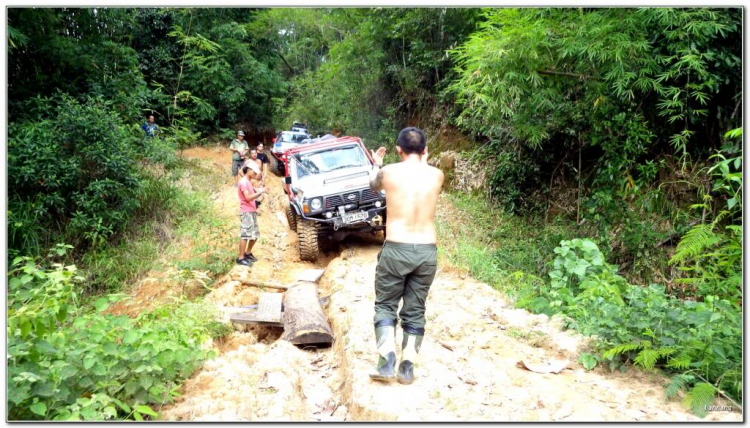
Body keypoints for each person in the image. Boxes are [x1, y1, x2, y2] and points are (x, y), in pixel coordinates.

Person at [367, 127, 444, 385]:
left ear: (398, 149)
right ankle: (407, 368)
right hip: (426, 251)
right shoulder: (437, 175)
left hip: (396, 248)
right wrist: (424, 160)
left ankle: (386, 362)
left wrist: (376, 164)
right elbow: (423, 177)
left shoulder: (388, 172)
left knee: (386, 305)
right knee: (415, 309)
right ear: (424, 150)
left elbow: (372, 184)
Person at [236, 164, 268, 266]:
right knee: (245, 235)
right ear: (249, 170)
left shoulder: (248, 182)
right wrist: (261, 192)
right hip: (246, 211)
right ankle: (240, 258)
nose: (255, 175)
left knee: (255, 234)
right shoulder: (244, 182)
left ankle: (248, 253)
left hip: (251, 210)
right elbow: (248, 198)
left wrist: (259, 190)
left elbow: (252, 192)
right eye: (254, 172)